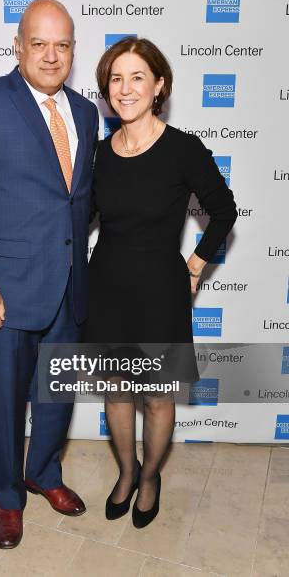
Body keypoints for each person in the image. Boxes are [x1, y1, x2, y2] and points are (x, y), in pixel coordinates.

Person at [0, 0, 99, 549]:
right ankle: (9, 498)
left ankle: (45, 474)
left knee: (57, 393)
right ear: (19, 45)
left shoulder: (85, 112)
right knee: (8, 399)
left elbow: (77, 202)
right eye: (39, 43)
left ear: (74, 51)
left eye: (62, 44)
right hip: (4, 290)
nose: (51, 55)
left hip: (68, 285)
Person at [82, 37, 238, 528]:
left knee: (156, 394)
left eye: (136, 77)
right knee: (116, 390)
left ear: (159, 86)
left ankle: (150, 477)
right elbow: (80, 217)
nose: (125, 89)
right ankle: (126, 473)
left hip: (160, 292)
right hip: (106, 285)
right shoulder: (100, 154)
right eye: (115, 78)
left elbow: (223, 211)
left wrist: (194, 266)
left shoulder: (182, 149)